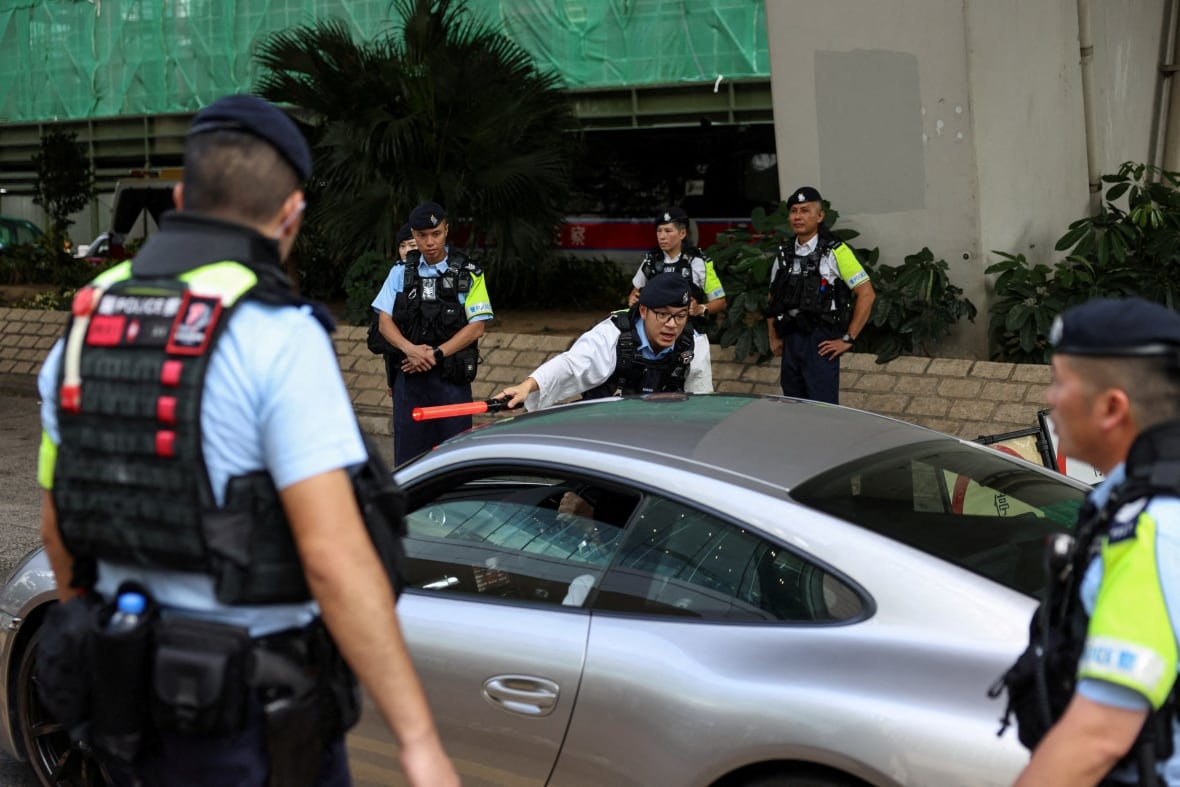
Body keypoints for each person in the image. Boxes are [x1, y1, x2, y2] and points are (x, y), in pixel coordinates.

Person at [35, 94, 457, 786]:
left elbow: (59, 529)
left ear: (179, 196)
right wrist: (418, 740)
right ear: (289, 214)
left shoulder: (88, 319)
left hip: (130, 705)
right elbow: (332, 557)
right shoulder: (278, 334)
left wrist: (103, 647)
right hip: (251, 721)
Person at [1000, 297, 1180, 787]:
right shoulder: (1131, 497)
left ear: (1111, 407)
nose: (1050, 398)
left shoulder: (1151, 527)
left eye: (1060, 381)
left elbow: (1097, 737)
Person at [371, 201, 493, 466]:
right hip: (409, 375)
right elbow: (384, 322)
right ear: (413, 235)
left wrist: (436, 355)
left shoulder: (468, 273)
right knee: (409, 460)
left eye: (435, 234)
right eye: (421, 236)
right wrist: (411, 350)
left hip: (451, 378)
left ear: (446, 230)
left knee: (454, 456)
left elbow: (477, 326)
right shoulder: (400, 272)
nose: (429, 242)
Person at [498, 272, 710, 412]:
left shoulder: (694, 343)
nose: (672, 325)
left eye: (680, 316)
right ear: (644, 311)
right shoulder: (612, 335)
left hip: (658, 433)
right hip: (602, 428)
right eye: (663, 315)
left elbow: (702, 402)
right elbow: (570, 365)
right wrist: (526, 387)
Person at [766, 186, 875, 404]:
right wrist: (773, 336)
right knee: (793, 406)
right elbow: (773, 297)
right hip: (791, 337)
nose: (798, 216)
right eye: (794, 211)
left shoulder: (836, 251)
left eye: (805, 210)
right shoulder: (784, 254)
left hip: (821, 339)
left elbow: (867, 294)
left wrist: (847, 339)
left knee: (823, 410)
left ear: (820, 216)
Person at [627, 206, 725, 391]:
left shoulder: (699, 262)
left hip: (686, 336)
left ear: (682, 233)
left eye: (668, 231)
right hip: (650, 337)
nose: (662, 236)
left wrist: (701, 309)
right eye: (659, 231)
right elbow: (634, 293)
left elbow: (720, 301)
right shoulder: (650, 261)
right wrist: (634, 300)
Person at [371, 222, 418, 397]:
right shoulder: (397, 271)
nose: (406, 251)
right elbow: (384, 323)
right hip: (401, 360)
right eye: (402, 246)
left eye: (412, 245)